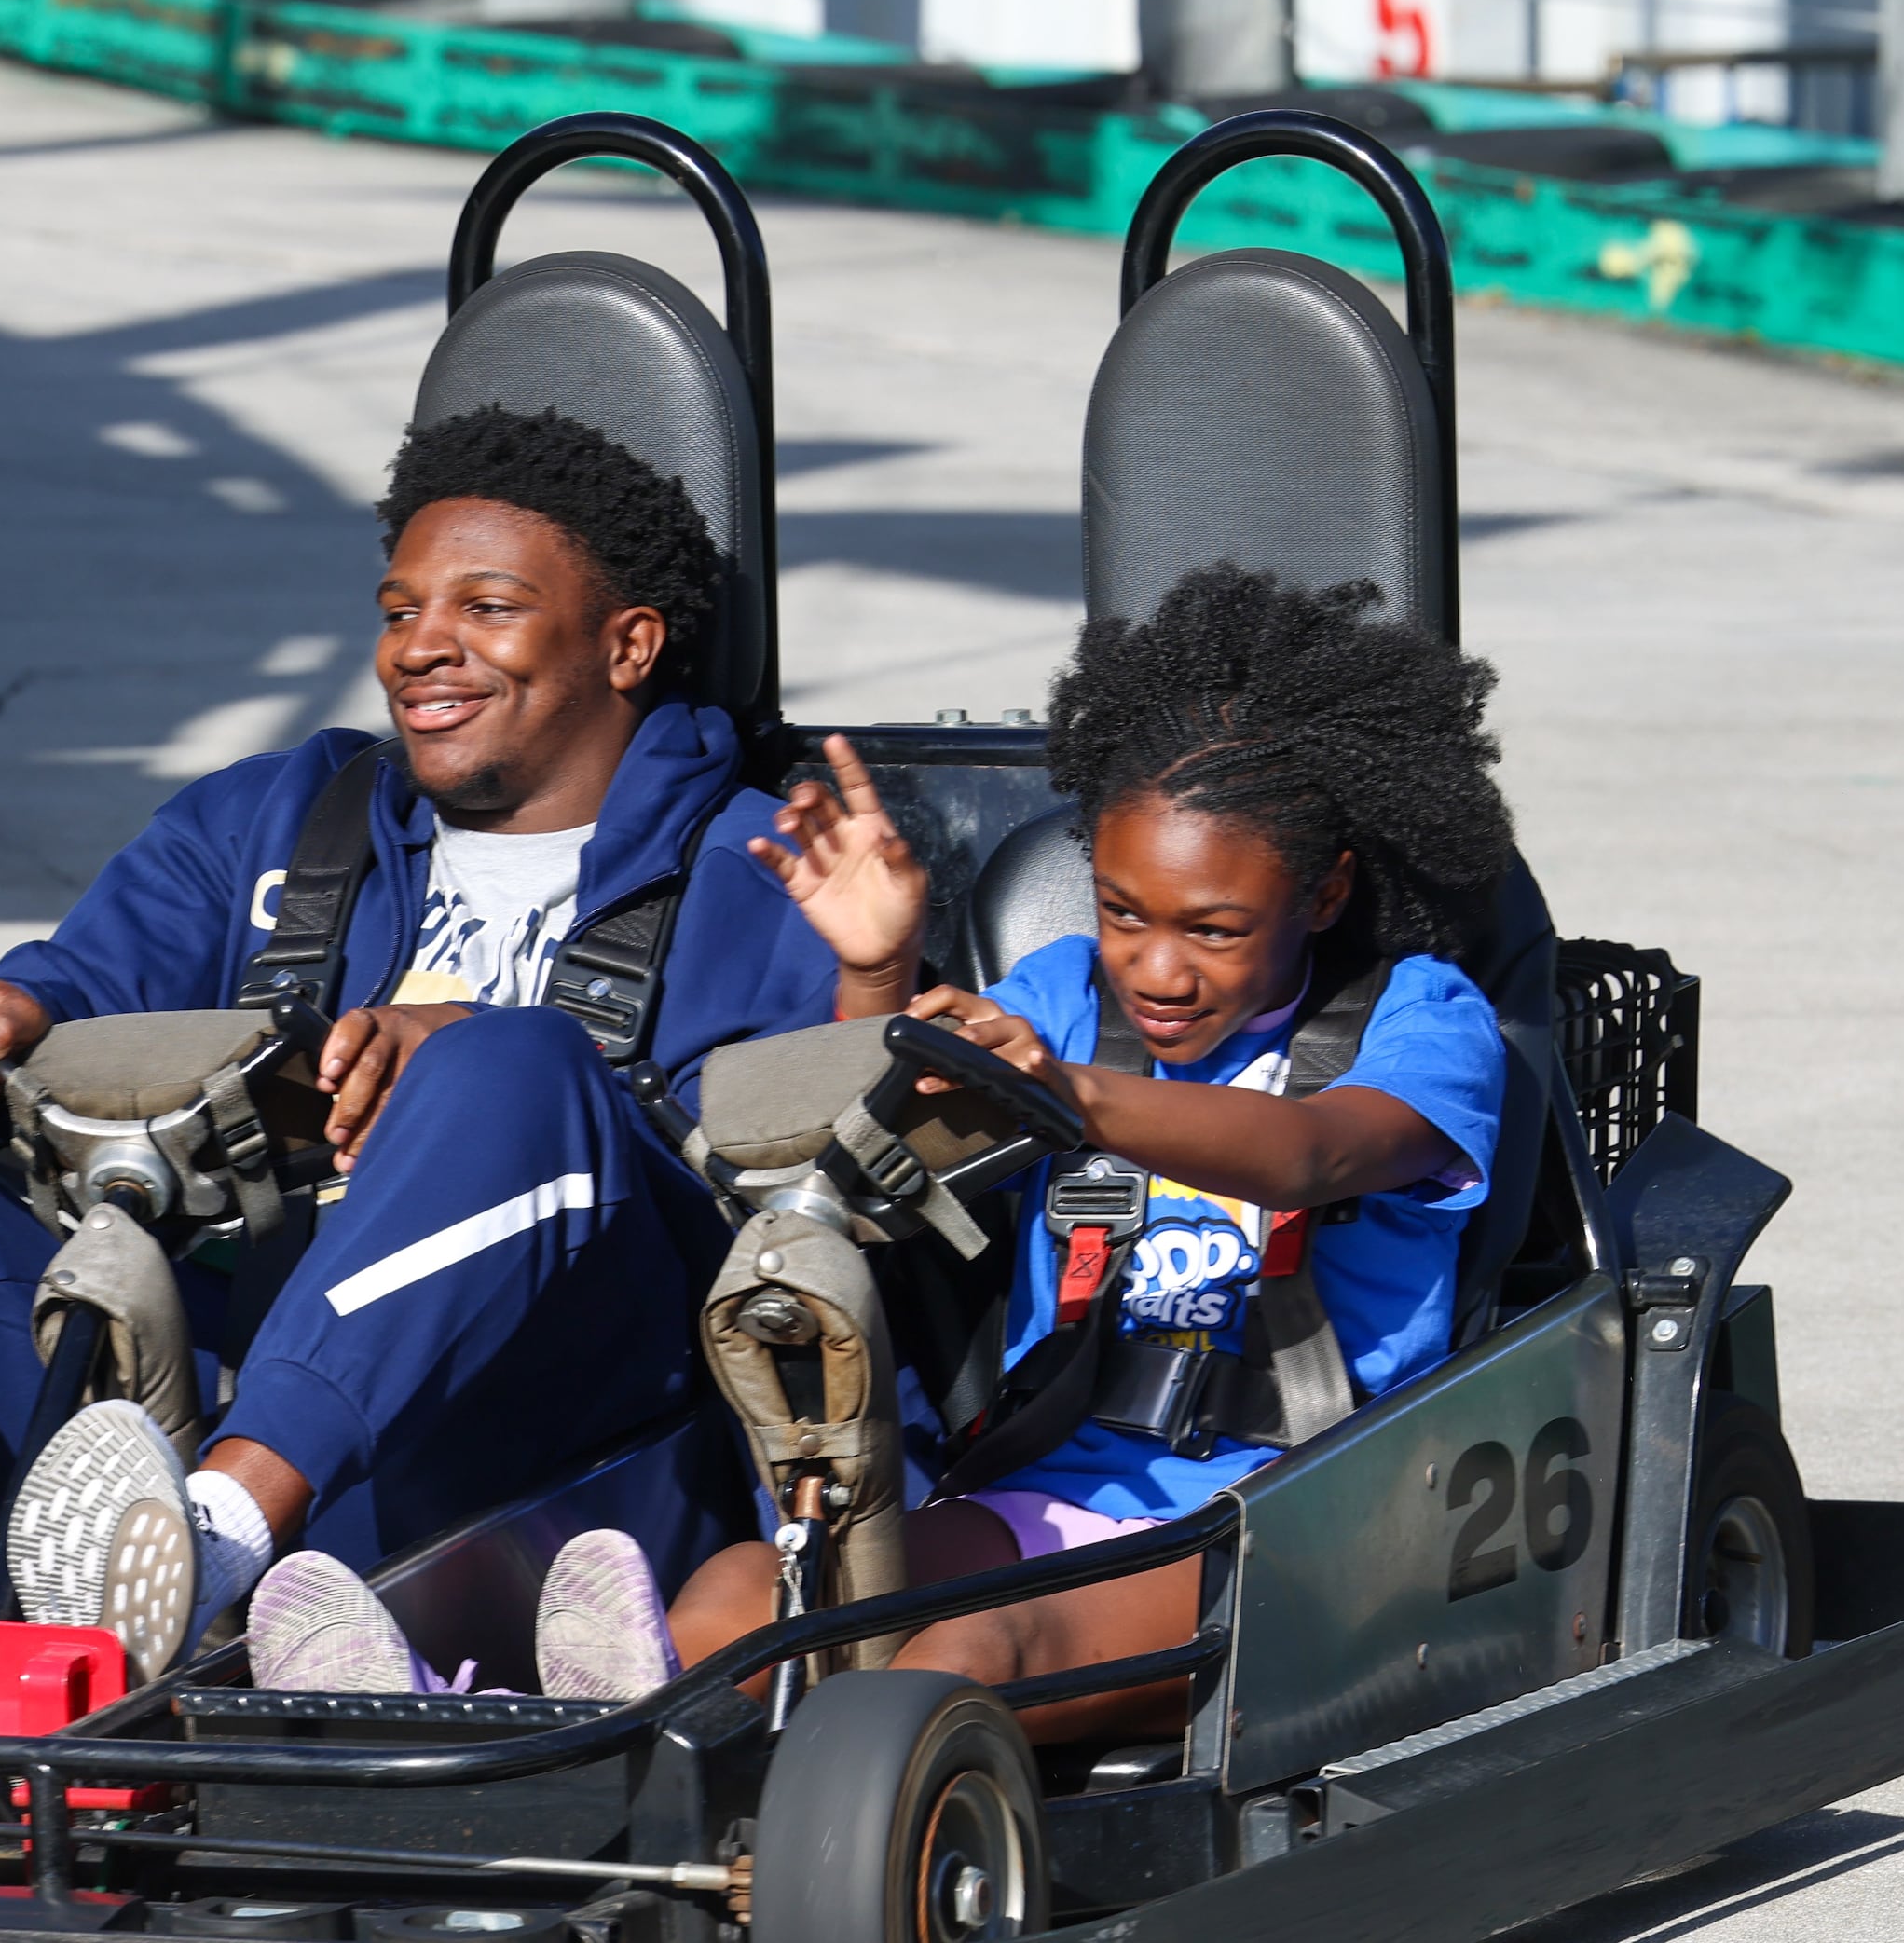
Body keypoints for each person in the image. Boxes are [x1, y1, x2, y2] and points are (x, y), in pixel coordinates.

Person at [0, 405, 839, 1725]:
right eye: (399, 611)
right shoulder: (276, 820)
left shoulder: (771, 872)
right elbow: (90, 982)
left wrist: (495, 1073)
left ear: (628, 644)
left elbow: (801, 1211)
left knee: (508, 1067)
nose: (422, 648)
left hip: (545, 1432)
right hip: (175, 1404)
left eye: (487, 606)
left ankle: (209, 1554)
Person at [235, 563, 1513, 1731]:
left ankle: (767, 1789)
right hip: (1035, 1490)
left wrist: (1067, 1094)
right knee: (740, 1600)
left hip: (1285, 1513)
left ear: (1326, 894)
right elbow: (881, 1153)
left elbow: (1308, 1156)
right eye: (1125, 914)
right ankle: (472, 1721)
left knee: (967, 1655)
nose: (1160, 969)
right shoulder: (1072, 994)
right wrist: (877, 973)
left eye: (1216, 931)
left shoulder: (1413, 1020)